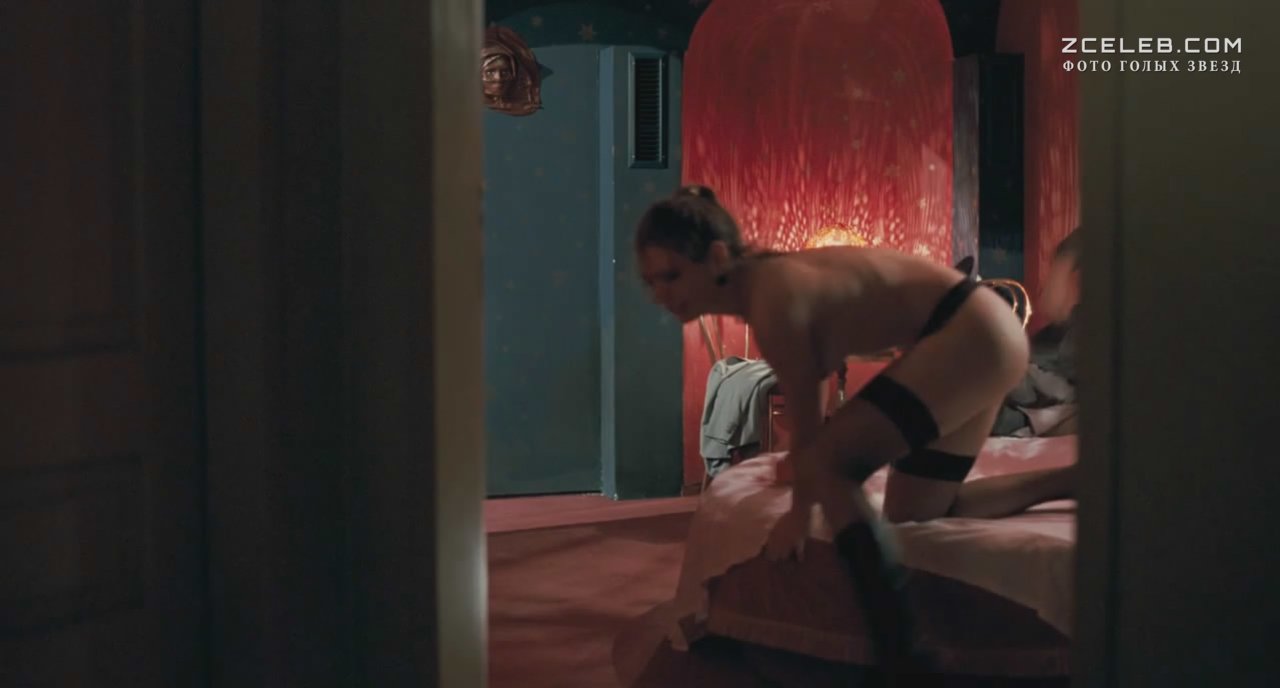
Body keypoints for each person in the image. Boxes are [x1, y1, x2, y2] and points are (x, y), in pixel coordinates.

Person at [635, 185, 1075, 671]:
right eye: (650, 282)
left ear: (717, 257)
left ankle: (900, 649)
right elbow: (813, 408)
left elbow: (813, 439)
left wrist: (799, 512)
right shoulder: (773, 285)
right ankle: (1070, 479)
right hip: (983, 332)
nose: (660, 295)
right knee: (915, 510)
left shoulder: (772, 297)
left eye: (672, 275)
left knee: (828, 463)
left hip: (970, 332)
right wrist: (804, 473)